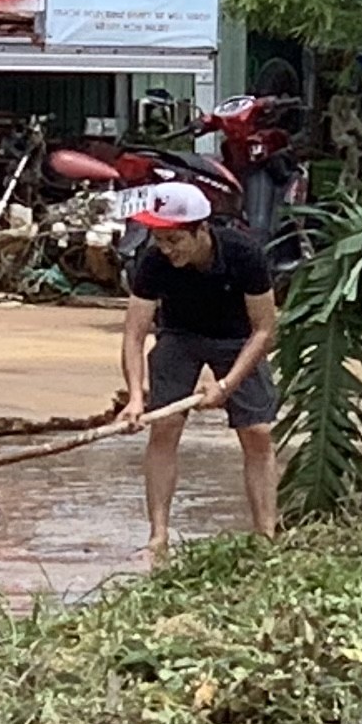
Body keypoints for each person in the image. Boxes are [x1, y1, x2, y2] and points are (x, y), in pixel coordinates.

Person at [112, 180, 279, 559]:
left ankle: (265, 536)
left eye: (175, 241)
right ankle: (158, 536)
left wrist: (227, 384)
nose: (167, 250)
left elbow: (265, 330)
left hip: (239, 339)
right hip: (180, 336)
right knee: (164, 428)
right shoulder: (154, 262)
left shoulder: (244, 254)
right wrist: (136, 397)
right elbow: (135, 332)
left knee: (257, 432)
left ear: (201, 229)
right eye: (160, 240)